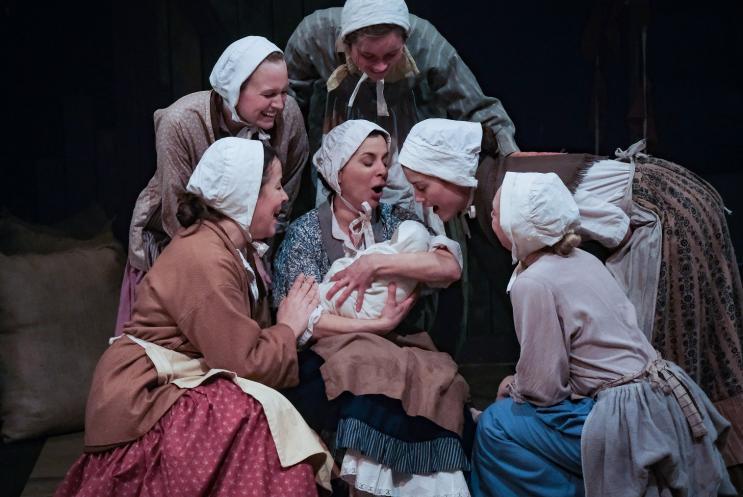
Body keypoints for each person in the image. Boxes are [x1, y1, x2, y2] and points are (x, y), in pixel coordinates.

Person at [399, 117, 743, 466]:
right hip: (672, 198)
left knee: (661, 351)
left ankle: (679, 461)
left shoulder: (514, 192)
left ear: (452, 172)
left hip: (664, 212)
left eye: (423, 186)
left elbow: (615, 225)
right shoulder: (496, 181)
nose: (419, 198)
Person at [54, 138, 332, 497]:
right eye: (276, 187)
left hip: (184, 375)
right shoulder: (205, 256)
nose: (283, 198)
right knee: (244, 412)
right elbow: (244, 361)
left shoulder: (232, 248)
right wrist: (288, 327)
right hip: (147, 392)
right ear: (246, 194)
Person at [470, 171, 734, 497]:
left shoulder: (533, 282)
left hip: (622, 415)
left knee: (494, 425)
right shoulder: (583, 259)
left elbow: (544, 389)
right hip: (661, 396)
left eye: (497, 212)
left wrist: (512, 385)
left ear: (518, 224)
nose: (490, 217)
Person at [273, 119, 473, 497]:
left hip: (400, 344)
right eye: (368, 161)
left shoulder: (398, 222)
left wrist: (376, 264)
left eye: (385, 160)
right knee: (372, 377)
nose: (382, 170)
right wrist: (376, 325)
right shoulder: (308, 232)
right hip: (333, 350)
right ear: (338, 172)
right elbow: (300, 321)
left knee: (437, 376)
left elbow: (448, 266)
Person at [116, 35, 309, 333]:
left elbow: (285, 195)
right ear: (235, 89)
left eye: (285, 92)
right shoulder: (180, 123)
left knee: (243, 341)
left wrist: (255, 257)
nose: (280, 104)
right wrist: (226, 266)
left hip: (254, 247)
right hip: (180, 243)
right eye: (269, 94)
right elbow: (177, 212)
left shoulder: (289, 116)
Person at [284, 0, 519, 209]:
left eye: (390, 55)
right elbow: (286, 102)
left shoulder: (427, 42)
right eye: (368, 56)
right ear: (347, 43)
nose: (379, 67)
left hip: (406, 131)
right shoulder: (315, 34)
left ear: (405, 41)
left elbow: (477, 108)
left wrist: (513, 163)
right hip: (338, 128)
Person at [318, 219, 444, 320]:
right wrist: (380, 326)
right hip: (335, 328)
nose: (385, 185)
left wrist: (374, 263)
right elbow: (305, 316)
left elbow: (448, 265)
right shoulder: (308, 229)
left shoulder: (395, 216)